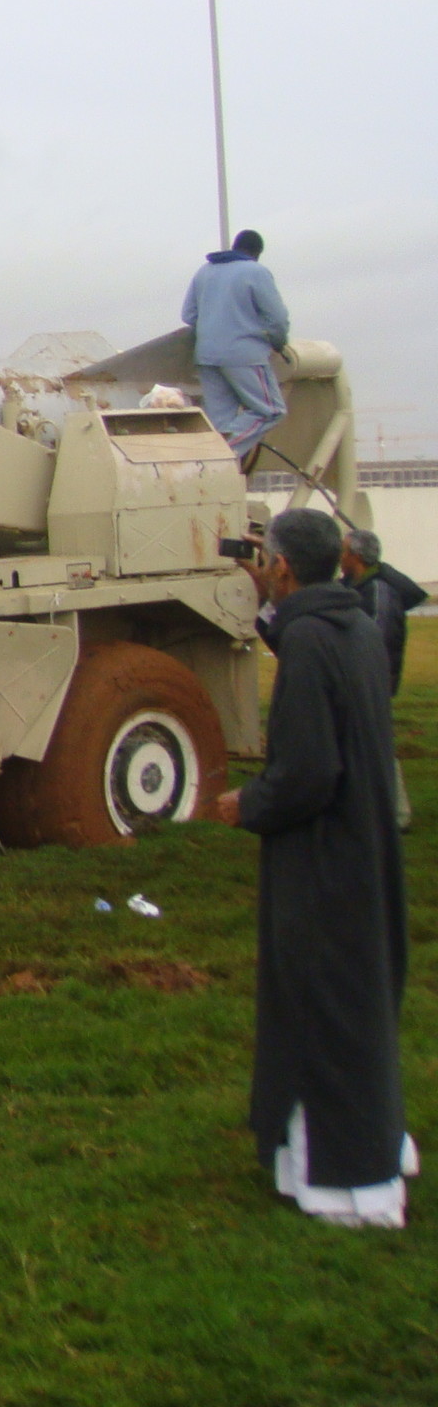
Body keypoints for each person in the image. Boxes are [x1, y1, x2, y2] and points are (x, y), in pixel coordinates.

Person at [216, 508, 415, 1227]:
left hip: (322, 857)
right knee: (352, 1002)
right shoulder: (352, 624)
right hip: (364, 848)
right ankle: (353, 1153)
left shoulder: (308, 642)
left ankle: (344, 1183)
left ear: (284, 567)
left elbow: (306, 774)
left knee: (321, 1005)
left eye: (265, 559)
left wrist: (248, 801)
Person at [342, 526, 427, 830]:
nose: (339, 557)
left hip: (372, 682)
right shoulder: (360, 585)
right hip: (366, 680)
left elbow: (377, 639)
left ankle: (397, 815)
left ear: (356, 556)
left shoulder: (378, 591)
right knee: (364, 744)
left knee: (377, 745)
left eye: (344, 550)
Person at [181, 228, 291, 460]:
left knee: (220, 422)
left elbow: (189, 315)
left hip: (207, 356)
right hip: (244, 355)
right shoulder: (256, 271)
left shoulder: (205, 271)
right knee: (270, 411)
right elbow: (277, 319)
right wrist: (277, 343)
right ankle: (219, 456)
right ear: (257, 253)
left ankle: (215, 466)